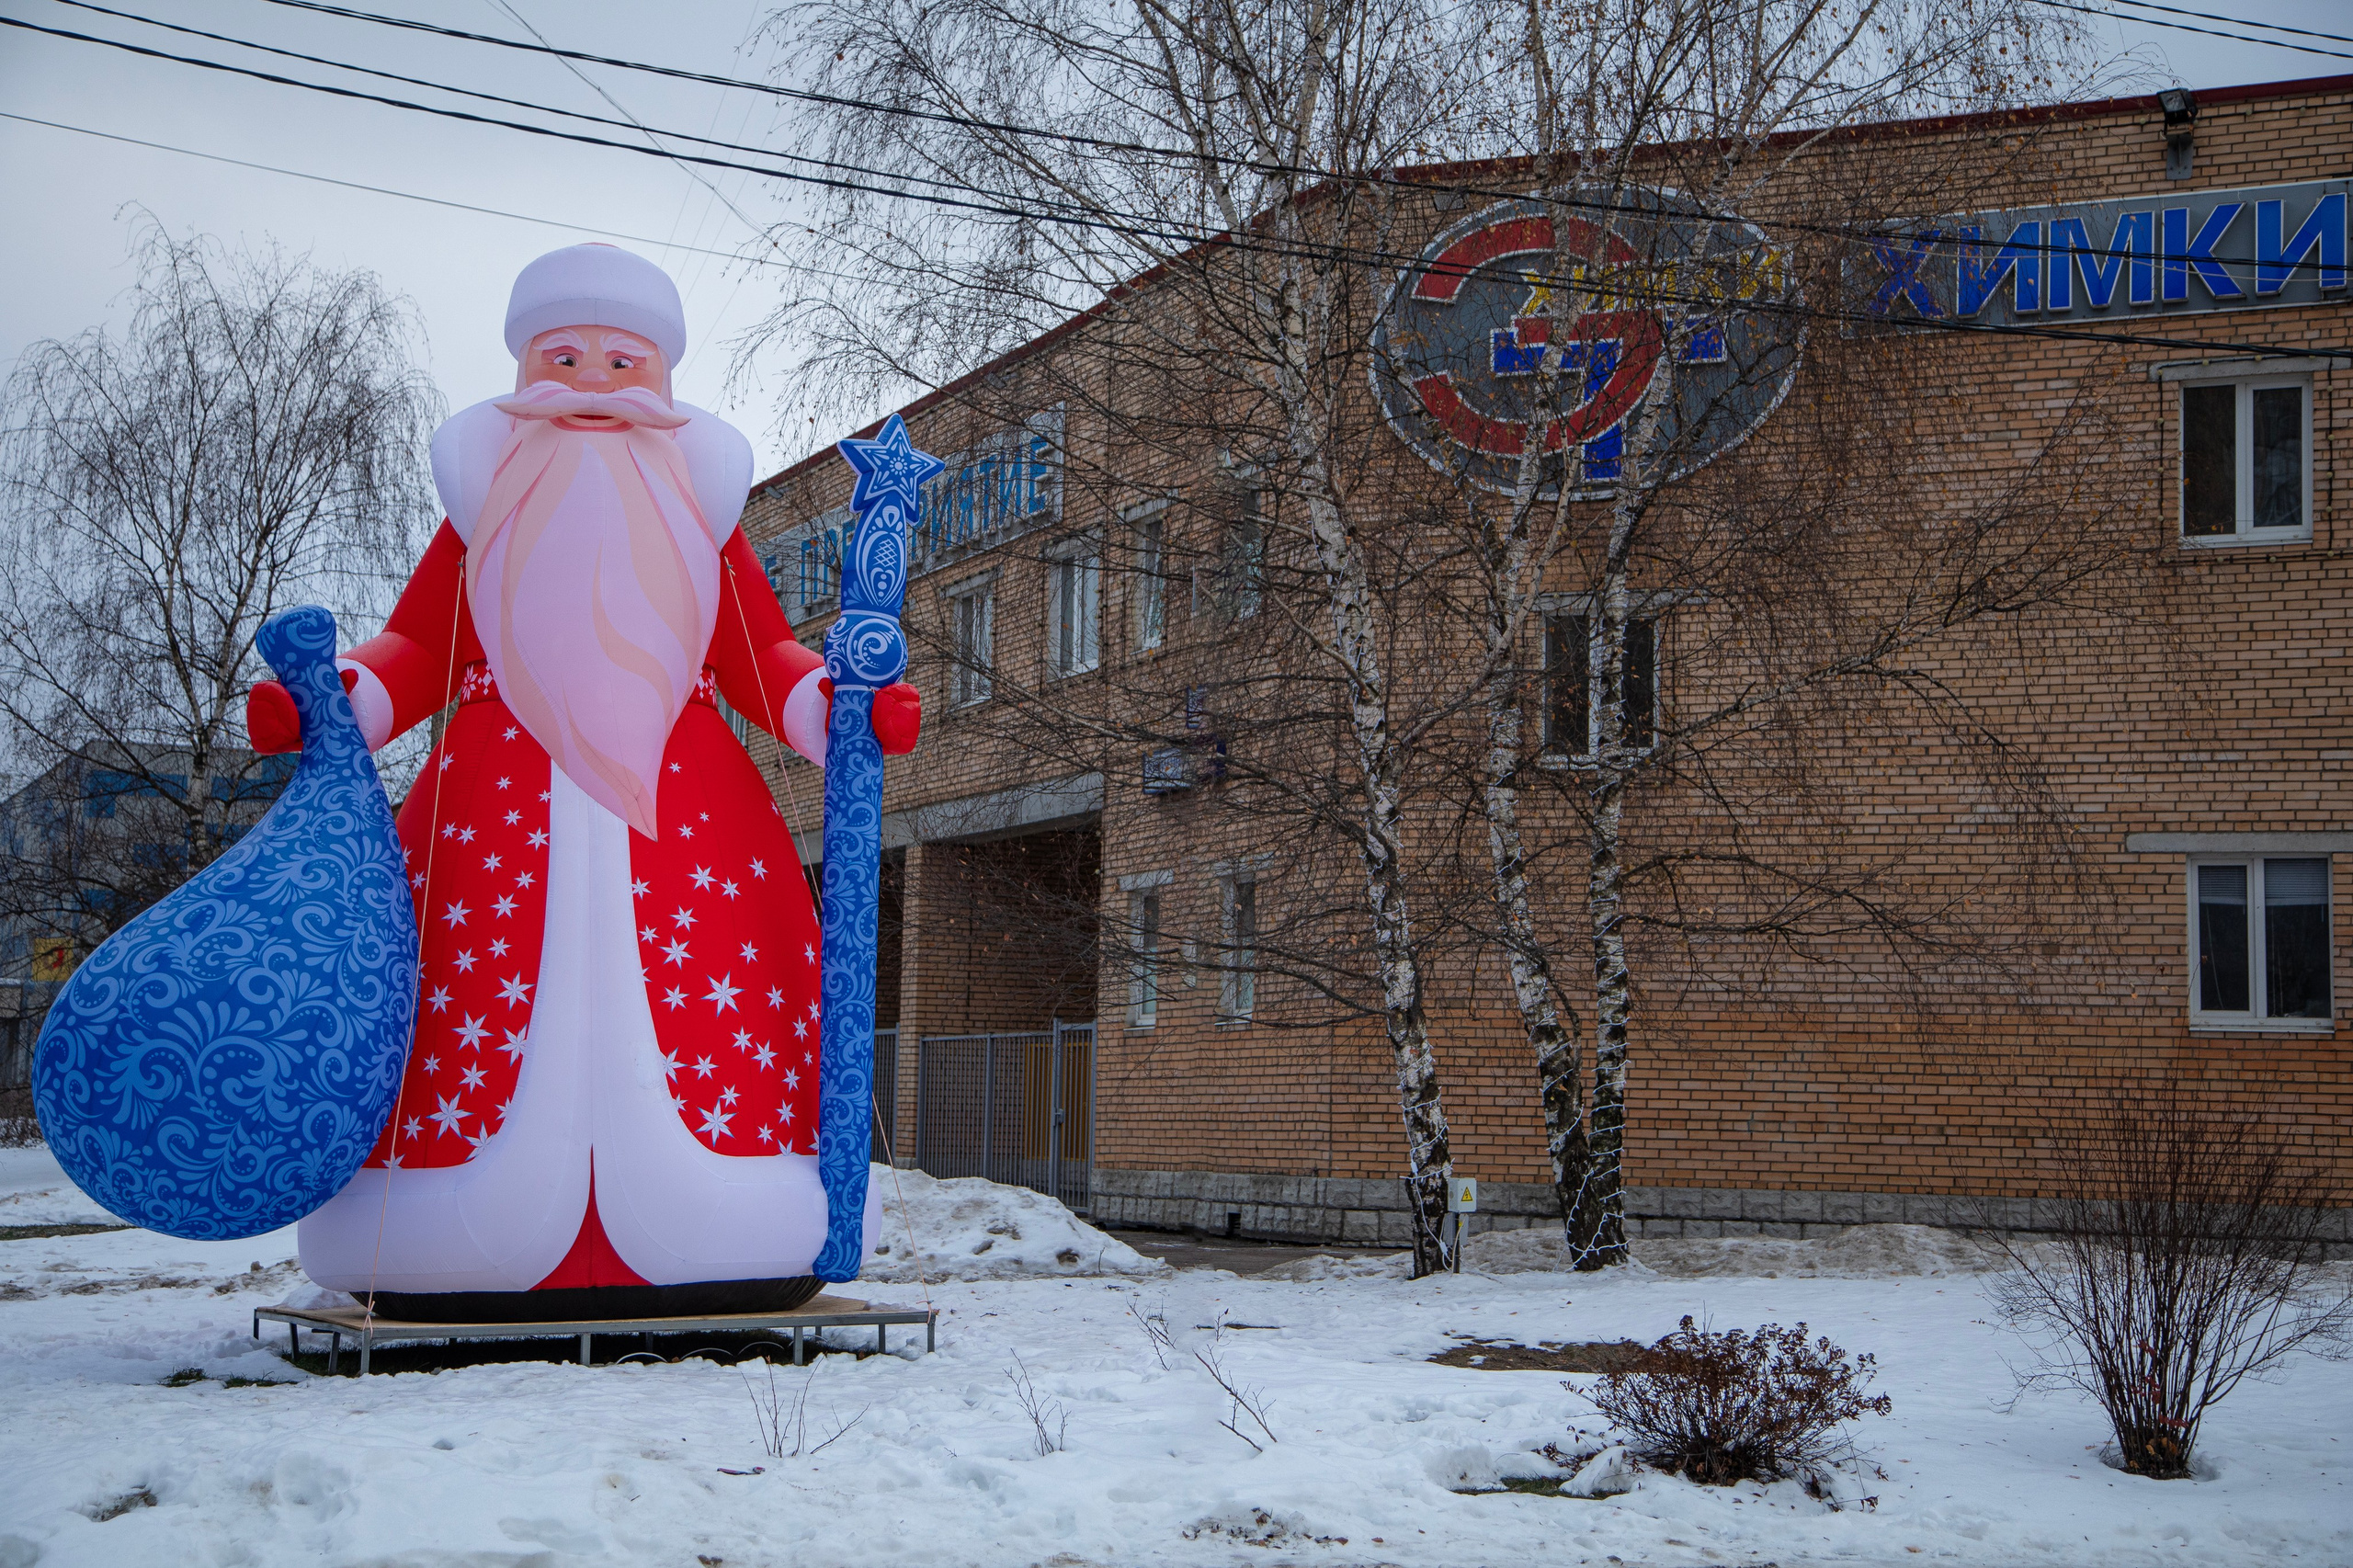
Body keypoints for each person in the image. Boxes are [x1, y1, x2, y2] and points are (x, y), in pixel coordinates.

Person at [248, 244, 918, 1320]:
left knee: (721, 1000)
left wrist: (839, 707)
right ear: (525, 371)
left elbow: (762, 657)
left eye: (623, 359)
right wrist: (333, 699)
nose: (594, 382)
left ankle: (749, 1219)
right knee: (457, 994)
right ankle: (432, 1226)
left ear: (663, 378)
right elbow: (414, 649)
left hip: (691, 828)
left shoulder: (700, 524)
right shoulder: (484, 518)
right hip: (488, 827)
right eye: (565, 357)